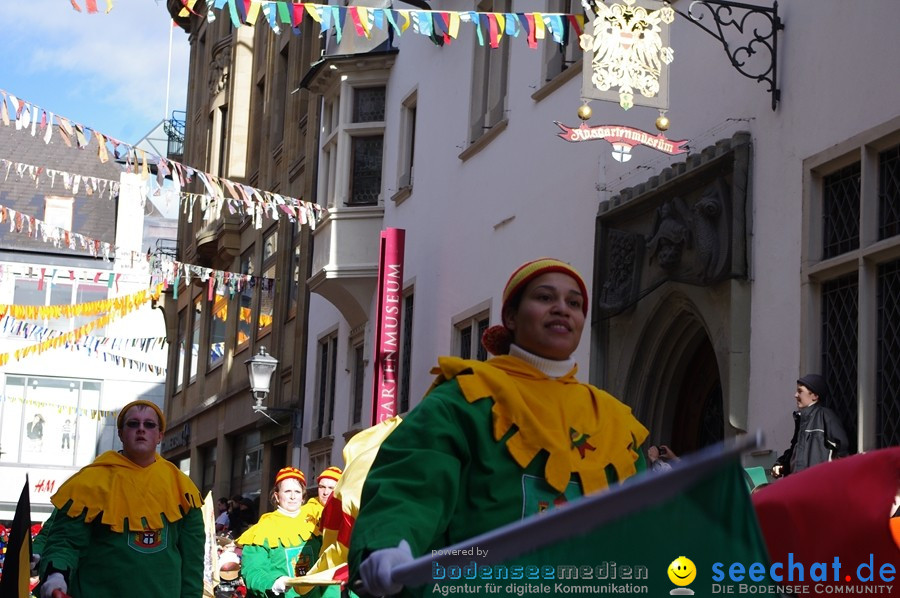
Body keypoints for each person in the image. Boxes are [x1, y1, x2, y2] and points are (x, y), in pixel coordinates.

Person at [349, 258, 649, 597]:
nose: (562, 309)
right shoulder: (464, 399)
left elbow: (644, 523)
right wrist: (391, 545)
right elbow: (410, 486)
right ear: (510, 317)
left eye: (574, 303)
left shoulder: (615, 421)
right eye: (545, 297)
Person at [37, 399, 204, 598]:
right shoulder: (88, 483)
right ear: (121, 433)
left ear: (160, 435)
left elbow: (192, 565)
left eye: (149, 425)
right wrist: (57, 576)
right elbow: (65, 542)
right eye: (133, 424)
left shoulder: (183, 490)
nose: (141, 429)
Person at [237, 467, 323, 598]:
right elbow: (252, 571)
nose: (293, 496)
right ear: (277, 496)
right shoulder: (261, 529)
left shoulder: (316, 526)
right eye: (287, 491)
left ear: (303, 497)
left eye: (297, 492)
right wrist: (273, 582)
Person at [771, 373, 849, 478]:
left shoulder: (825, 416)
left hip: (817, 486)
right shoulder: (802, 419)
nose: (795, 395)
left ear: (815, 396)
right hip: (798, 484)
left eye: (800, 391)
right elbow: (796, 451)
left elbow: (842, 450)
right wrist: (781, 464)